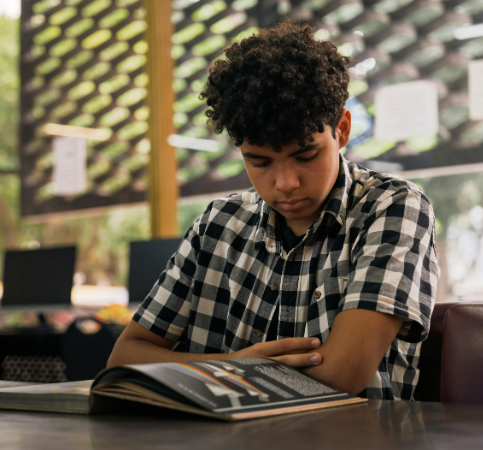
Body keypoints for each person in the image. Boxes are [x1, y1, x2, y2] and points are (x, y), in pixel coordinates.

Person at [108, 21, 438, 400]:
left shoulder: (392, 208)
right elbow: (123, 359)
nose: (285, 183)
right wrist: (234, 365)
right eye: (259, 162)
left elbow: (341, 376)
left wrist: (226, 369)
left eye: (306, 154)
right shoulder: (218, 224)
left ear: (342, 130)